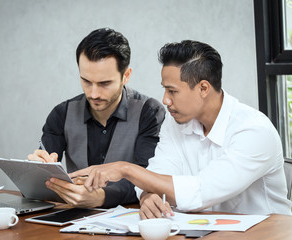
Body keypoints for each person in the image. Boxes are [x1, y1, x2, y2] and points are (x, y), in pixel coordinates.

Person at [70, 40, 292, 217]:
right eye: (164, 90)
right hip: (206, 231)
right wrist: (148, 196)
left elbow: (201, 191)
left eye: (172, 91)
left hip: (266, 234)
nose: (165, 100)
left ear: (203, 88)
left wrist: (126, 169)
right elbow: (157, 175)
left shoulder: (254, 131)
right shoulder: (176, 121)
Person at [27, 28, 165, 208]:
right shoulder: (61, 114)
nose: (93, 93)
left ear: (126, 76)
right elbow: (39, 186)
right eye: (86, 81)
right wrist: (35, 173)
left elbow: (150, 178)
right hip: (72, 221)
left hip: (129, 219)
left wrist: (101, 197)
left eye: (104, 83)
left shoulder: (149, 112)